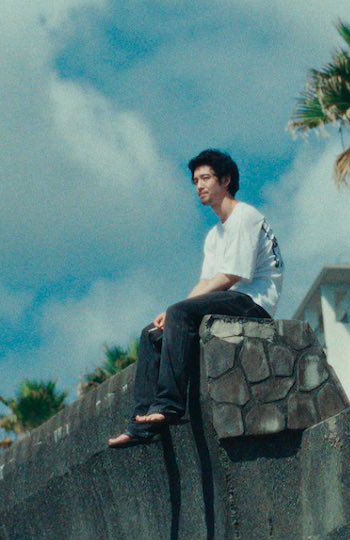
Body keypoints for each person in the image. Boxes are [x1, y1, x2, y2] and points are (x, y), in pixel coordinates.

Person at [108, 149, 283, 448]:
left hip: (254, 303)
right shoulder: (215, 234)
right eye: (195, 181)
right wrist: (169, 314)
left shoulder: (245, 217)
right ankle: (141, 423)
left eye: (205, 178)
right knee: (152, 334)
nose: (199, 186)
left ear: (225, 180)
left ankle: (169, 406)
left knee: (179, 313)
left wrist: (178, 310)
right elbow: (206, 281)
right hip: (230, 299)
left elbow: (231, 276)